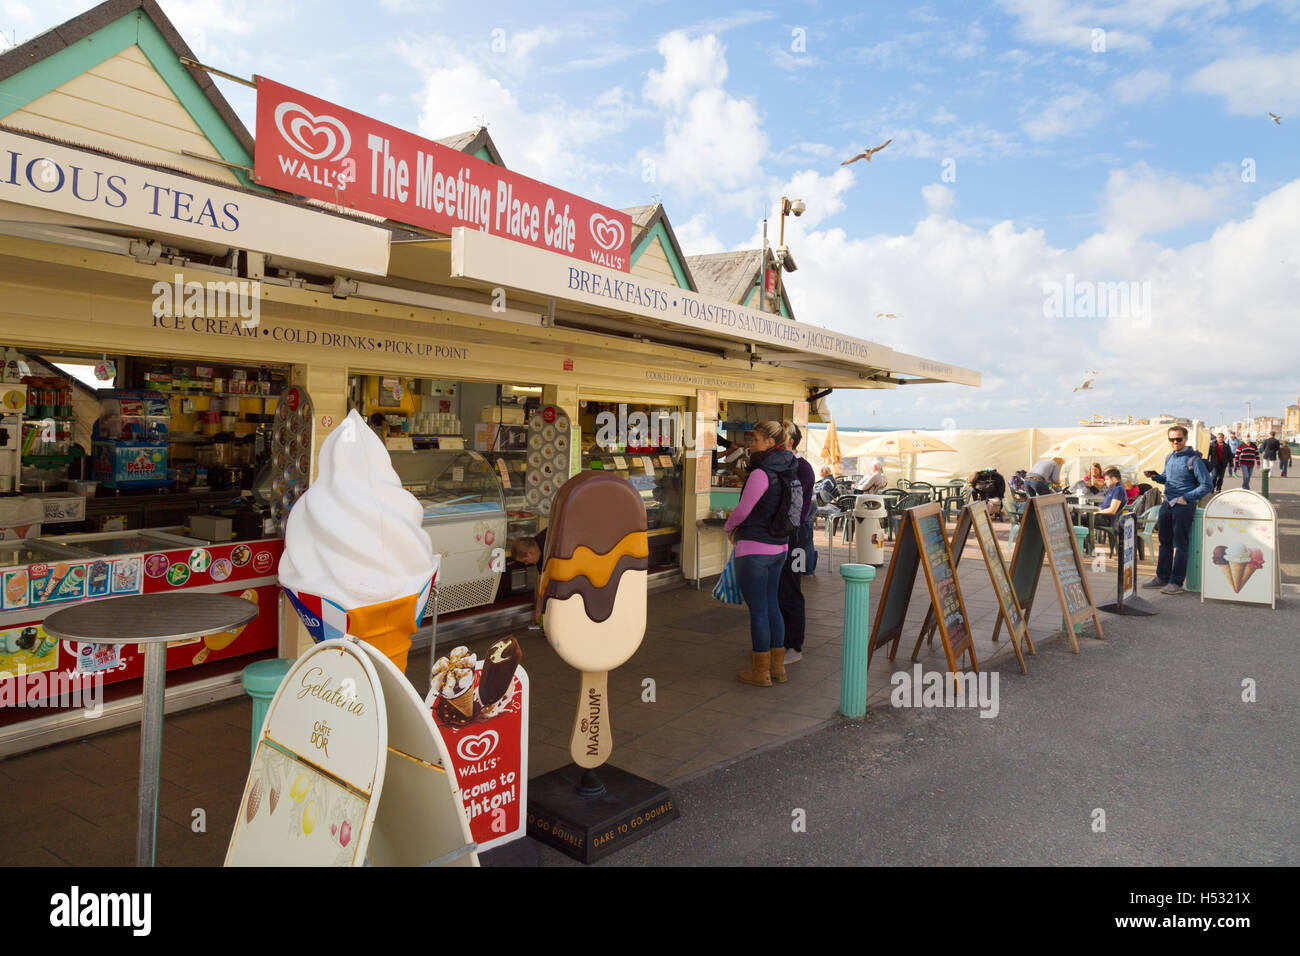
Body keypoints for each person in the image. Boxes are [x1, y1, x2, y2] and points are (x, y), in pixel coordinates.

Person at [723, 421, 798, 687]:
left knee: (758, 611)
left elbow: (743, 511)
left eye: (754, 439)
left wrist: (729, 527)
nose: (750, 444)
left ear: (768, 441)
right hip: (780, 547)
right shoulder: (790, 468)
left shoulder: (761, 473)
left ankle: (760, 672)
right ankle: (778, 669)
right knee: (771, 605)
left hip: (754, 548)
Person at [1142, 425, 1213, 594]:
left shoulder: (1194, 461)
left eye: (1178, 439)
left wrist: (1186, 497)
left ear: (1186, 439)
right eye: (1171, 439)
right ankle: (1162, 577)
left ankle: (1176, 582)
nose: (1175, 442)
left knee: (1180, 544)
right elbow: (1167, 478)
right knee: (1164, 542)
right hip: (1167, 503)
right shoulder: (1170, 457)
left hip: (1183, 506)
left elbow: (1207, 485)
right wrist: (1155, 476)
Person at [777, 421, 816, 664]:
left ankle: (794, 645)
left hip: (795, 536)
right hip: (782, 535)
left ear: (790, 442)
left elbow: (796, 507)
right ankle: (781, 642)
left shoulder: (802, 468)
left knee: (791, 589)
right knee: (779, 589)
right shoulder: (783, 465)